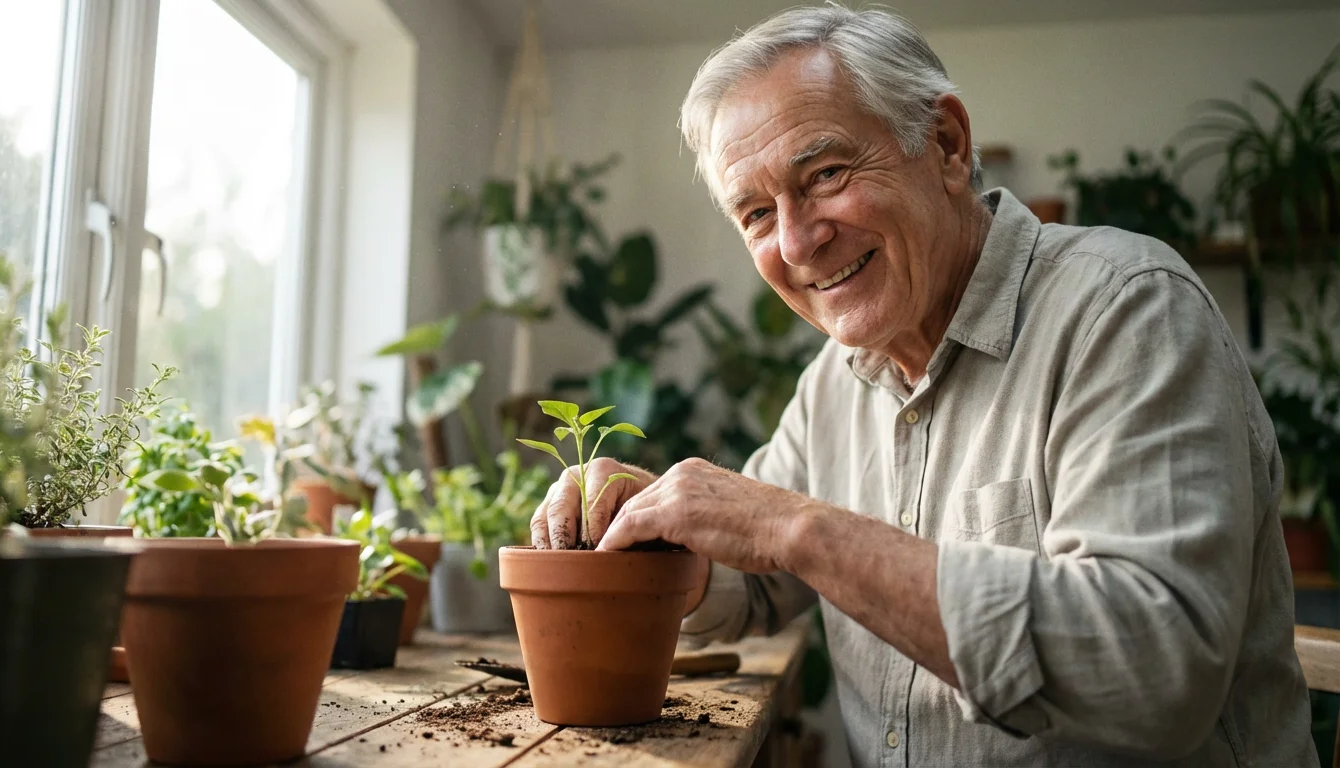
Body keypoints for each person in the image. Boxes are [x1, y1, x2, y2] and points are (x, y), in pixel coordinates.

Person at [530, 5, 1317, 766]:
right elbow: (751, 586)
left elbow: (1154, 672)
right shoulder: (833, 382)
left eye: (826, 173)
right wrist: (655, 528)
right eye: (758, 214)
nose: (799, 242)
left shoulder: (1128, 309)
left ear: (944, 143)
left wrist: (802, 531)